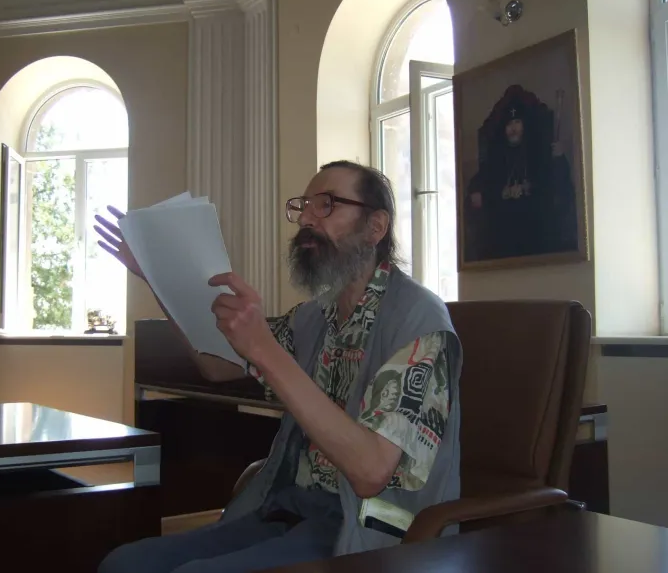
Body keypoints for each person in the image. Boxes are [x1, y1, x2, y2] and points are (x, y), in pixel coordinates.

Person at [94, 160, 462, 573]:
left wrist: (264, 348)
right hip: (288, 508)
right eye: (303, 206)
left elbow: (370, 472)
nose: (305, 218)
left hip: (363, 530)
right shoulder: (314, 316)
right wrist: (157, 277)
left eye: (326, 204)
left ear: (375, 227)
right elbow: (217, 365)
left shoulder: (419, 321)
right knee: (125, 563)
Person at [465, 85, 576, 261]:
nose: (513, 128)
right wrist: (502, 193)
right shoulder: (497, 157)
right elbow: (481, 186)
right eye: (509, 124)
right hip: (503, 229)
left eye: (517, 122)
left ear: (524, 125)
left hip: (533, 225)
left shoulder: (538, 152)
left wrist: (559, 157)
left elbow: (555, 184)